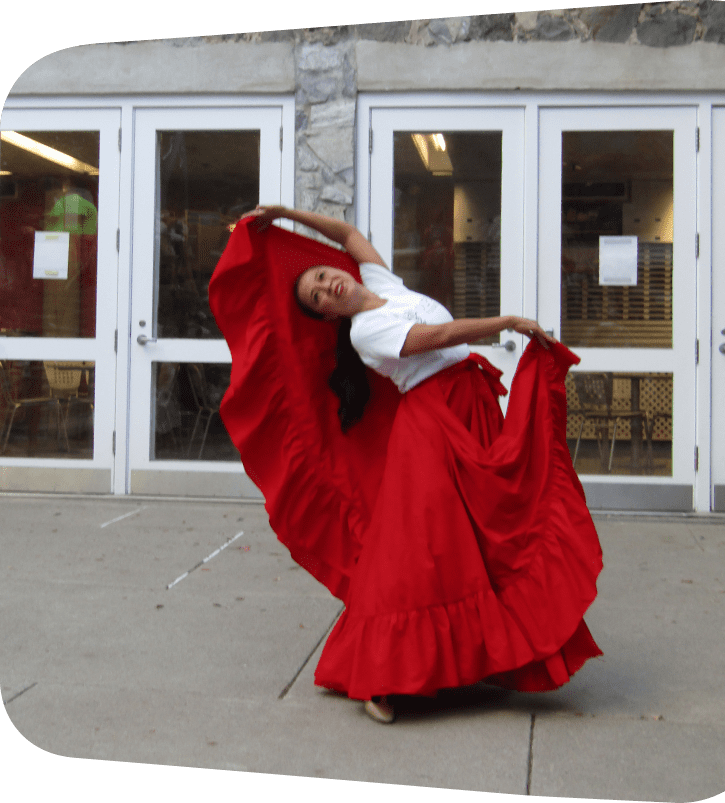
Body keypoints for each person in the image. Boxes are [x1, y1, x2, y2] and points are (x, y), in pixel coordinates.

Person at [208, 204, 603, 725]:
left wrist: (282, 214)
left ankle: (490, 653)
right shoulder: (364, 333)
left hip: (469, 405)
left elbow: (348, 233)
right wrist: (506, 322)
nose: (328, 288)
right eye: (318, 297)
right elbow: (434, 340)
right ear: (326, 315)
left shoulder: (383, 283)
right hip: (433, 424)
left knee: (483, 537)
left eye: (325, 278)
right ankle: (381, 677)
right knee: (424, 552)